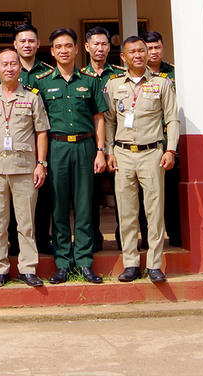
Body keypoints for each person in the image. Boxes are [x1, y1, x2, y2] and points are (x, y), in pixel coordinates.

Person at [103, 35, 181, 284]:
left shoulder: (162, 83)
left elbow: (171, 119)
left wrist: (170, 150)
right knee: (126, 211)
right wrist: (109, 152)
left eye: (141, 51)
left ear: (147, 54)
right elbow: (109, 121)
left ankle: (155, 264)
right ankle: (131, 263)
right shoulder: (114, 85)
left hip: (152, 153)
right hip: (123, 154)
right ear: (123, 58)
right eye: (132, 52)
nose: (137, 55)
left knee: (154, 211)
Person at [36, 27, 107, 284]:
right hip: (56, 148)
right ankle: (63, 262)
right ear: (52, 51)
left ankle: (85, 262)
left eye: (68, 46)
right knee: (59, 206)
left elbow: (99, 119)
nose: (64, 51)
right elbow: (38, 125)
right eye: (59, 47)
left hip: (85, 147)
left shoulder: (89, 81)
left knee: (85, 206)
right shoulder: (42, 82)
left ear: (77, 49)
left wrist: (101, 151)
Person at [0, 49, 50, 288]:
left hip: (25, 168)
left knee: (26, 223)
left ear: (20, 68)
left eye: (14, 64)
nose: (9, 68)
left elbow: (41, 132)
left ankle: (28, 268)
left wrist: (41, 164)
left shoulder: (32, 97)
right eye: (5, 64)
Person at [12, 23, 55, 255]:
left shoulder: (48, 73)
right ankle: (14, 242)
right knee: (13, 198)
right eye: (22, 41)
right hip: (14, 146)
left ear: (38, 44)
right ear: (15, 44)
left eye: (31, 41)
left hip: (40, 142)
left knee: (43, 193)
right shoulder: (5, 70)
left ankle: (42, 238)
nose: (27, 45)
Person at [81, 26, 124, 253]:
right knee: (90, 195)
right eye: (95, 44)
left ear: (109, 47)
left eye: (104, 44)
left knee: (122, 193)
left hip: (119, 144)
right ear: (87, 47)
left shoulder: (119, 75)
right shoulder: (80, 76)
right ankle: (93, 239)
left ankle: (122, 238)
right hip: (91, 145)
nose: (100, 48)